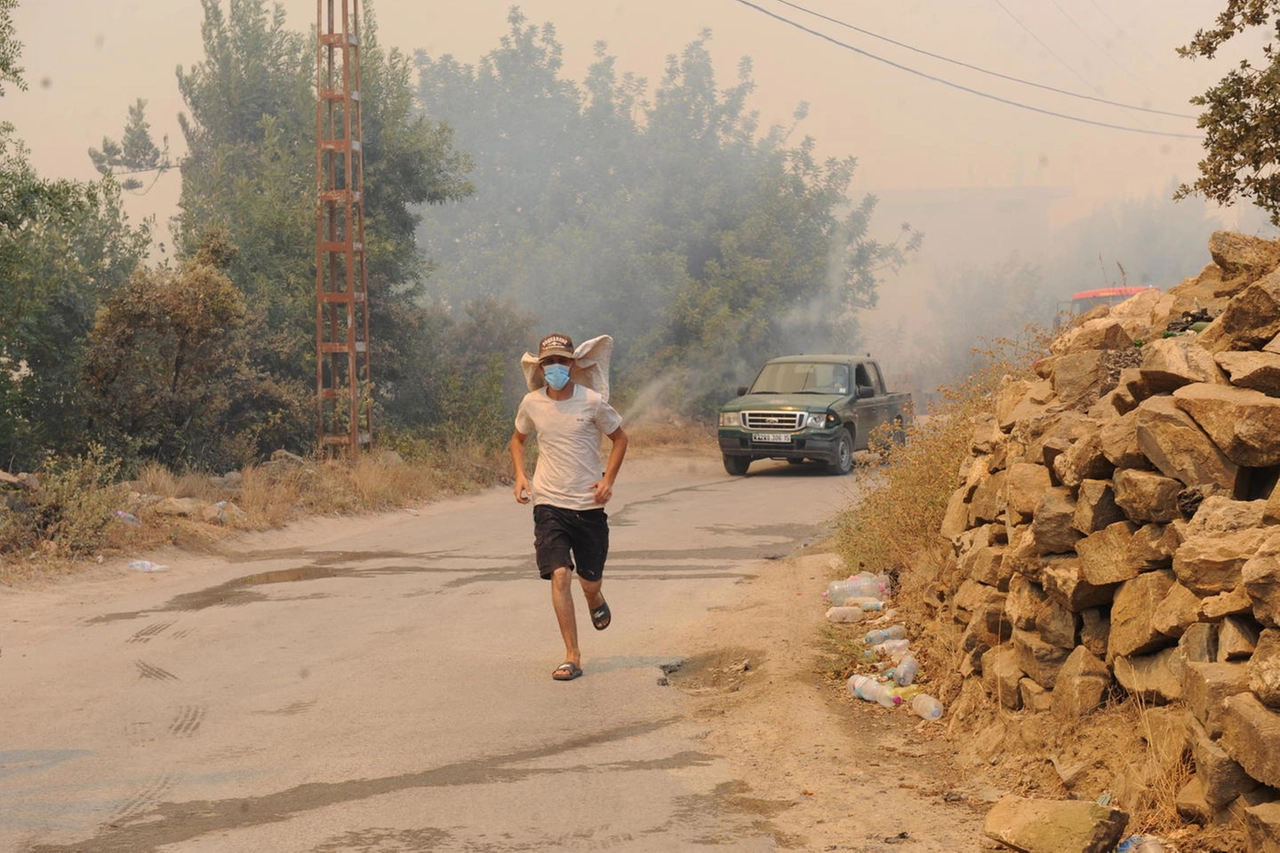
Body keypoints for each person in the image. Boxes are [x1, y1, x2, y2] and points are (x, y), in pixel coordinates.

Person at [510, 332, 629, 681]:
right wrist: (520, 476)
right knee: (560, 574)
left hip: (588, 506)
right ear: (541, 366)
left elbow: (620, 439)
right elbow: (517, 441)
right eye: (549, 362)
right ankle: (572, 656)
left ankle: (594, 597)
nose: (556, 367)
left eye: (562, 360)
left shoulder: (592, 401)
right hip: (549, 503)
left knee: (588, 580)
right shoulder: (531, 403)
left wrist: (608, 481)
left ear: (573, 364)